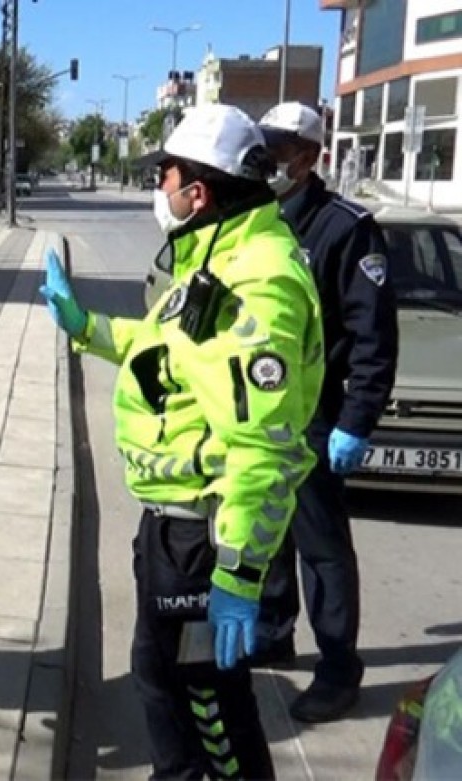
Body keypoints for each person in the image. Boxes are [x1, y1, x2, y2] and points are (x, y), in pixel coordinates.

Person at [41, 104, 325, 779]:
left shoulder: (257, 281)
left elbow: (264, 444)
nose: (158, 187)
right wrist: (85, 327)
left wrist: (239, 571)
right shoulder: (215, 255)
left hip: (205, 538)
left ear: (197, 192)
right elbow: (163, 350)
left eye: (163, 174)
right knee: (161, 681)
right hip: (172, 533)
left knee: (210, 705)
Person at [256, 101, 399, 723]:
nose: (269, 161)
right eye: (263, 150)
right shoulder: (260, 219)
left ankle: (339, 669)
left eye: (279, 151)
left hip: (317, 412)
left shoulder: (345, 228)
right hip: (264, 408)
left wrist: (355, 421)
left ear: (310, 157)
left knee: (321, 547)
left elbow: (373, 336)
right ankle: (273, 630)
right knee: (270, 529)